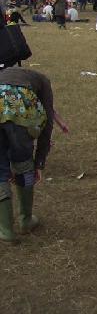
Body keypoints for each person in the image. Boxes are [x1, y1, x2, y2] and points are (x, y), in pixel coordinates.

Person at [0, 68, 69, 242]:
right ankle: (26, 220)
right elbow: (47, 124)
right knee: (24, 167)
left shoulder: (3, 76)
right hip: (20, 111)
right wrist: (39, 162)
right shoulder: (43, 81)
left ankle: (6, 230)